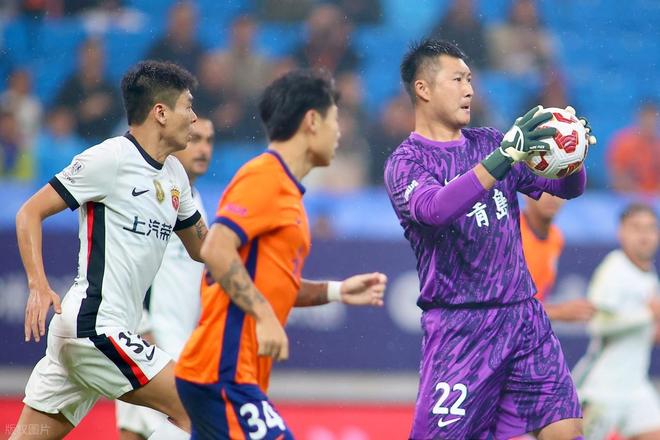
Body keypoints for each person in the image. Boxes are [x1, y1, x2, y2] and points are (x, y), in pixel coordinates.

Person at [384, 39, 596, 439]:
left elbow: (566, 190)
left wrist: (573, 156)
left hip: (523, 318)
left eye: (470, 79)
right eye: (457, 80)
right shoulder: (406, 163)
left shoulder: (489, 142)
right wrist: (502, 159)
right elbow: (434, 210)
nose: (469, 89)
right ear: (423, 89)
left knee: (566, 430)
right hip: (461, 330)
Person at [175, 69, 388, 439]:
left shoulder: (288, 191)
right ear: (311, 121)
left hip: (230, 374)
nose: (339, 132)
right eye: (334, 120)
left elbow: (270, 281)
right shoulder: (264, 176)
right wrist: (264, 316)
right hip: (222, 372)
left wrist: (336, 291)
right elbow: (216, 248)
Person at [11, 60, 207, 440]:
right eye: (188, 106)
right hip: (94, 329)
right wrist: (38, 284)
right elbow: (29, 212)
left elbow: (204, 248)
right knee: (196, 406)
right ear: (161, 112)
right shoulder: (110, 158)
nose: (194, 117)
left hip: (91, 336)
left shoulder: (174, 176)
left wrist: (247, 243)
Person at [115, 116, 215, 440]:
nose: (203, 149)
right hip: (150, 339)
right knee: (184, 422)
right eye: (195, 139)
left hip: (179, 343)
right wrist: (142, 327)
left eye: (209, 140)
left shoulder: (192, 201)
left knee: (141, 430)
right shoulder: (153, 194)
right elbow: (130, 261)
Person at [572, 203, 660, 440]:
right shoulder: (614, 268)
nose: (644, 236)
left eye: (650, 228)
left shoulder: (648, 273)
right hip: (603, 388)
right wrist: (647, 314)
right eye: (636, 228)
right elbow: (597, 324)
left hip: (635, 386)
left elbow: (648, 331)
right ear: (621, 232)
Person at [521, 193, 596, 322]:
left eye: (558, 188)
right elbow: (502, 307)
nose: (551, 195)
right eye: (542, 188)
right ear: (524, 192)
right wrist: (558, 312)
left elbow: (534, 301)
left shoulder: (556, 237)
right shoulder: (507, 233)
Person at [607, 101, 659, 195]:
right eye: (646, 119)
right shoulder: (623, 143)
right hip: (629, 197)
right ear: (639, 119)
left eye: (652, 120)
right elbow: (617, 176)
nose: (649, 124)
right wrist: (640, 194)